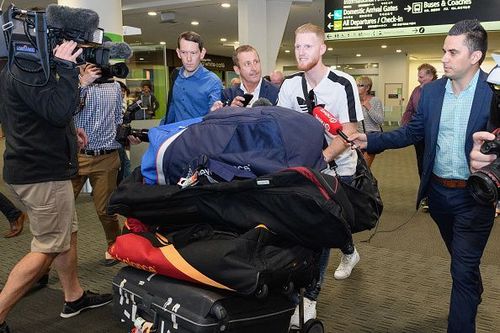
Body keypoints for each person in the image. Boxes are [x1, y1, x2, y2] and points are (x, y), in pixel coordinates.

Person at [349, 20, 493, 333]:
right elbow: (413, 131)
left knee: (462, 268)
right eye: (444, 51)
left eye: (453, 52)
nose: (444, 58)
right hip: (439, 195)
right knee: (461, 259)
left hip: (474, 197)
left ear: (475, 57)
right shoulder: (430, 93)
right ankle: (471, 286)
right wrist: (370, 140)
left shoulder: (493, 94)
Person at [0, 40, 112, 333]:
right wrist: (68, 71)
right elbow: (58, 110)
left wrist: (68, 131)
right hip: (42, 175)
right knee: (49, 246)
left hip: (41, 169)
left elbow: (44, 112)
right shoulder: (29, 70)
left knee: (68, 233)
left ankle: (73, 297)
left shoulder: (24, 68)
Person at [277, 23, 363, 328]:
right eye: (297, 46)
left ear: (322, 48)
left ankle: (310, 298)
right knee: (317, 228)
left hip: (339, 170)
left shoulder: (343, 83)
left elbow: (351, 132)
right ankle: (349, 250)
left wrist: (321, 158)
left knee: (323, 231)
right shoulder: (289, 86)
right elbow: (282, 128)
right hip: (304, 171)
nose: (301, 52)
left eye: (308, 46)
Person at [72, 63, 123, 266]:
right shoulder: (73, 84)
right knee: (61, 210)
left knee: (105, 210)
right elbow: (66, 110)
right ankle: (46, 261)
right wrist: (83, 84)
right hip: (76, 156)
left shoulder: (115, 87)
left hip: (107, 157)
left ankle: (116, 247)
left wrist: (123, 134)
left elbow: (118, 115)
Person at [160, 31, 223, 124]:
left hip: (199, 136)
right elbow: (172, 109)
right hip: (177, 135)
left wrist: (214, 112)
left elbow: (213, 118)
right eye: (184, 52)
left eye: (193, 53)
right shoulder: (175, 75)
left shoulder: (212, 81)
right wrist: (160, 132)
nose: (188, 59)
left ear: (202, 53)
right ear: (178, 53)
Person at [401, 63, 438, 210]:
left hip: (434, 134)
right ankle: (425, 194)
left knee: (433, 164)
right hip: (419, 133)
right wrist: (405, 125)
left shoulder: (439, 89)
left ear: (430, 76)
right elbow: (410, 109)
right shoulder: (417, 90)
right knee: (421, 163)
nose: (419, 79)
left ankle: (434, 195)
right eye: (418, 76)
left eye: (421, 77)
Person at [212, 45, 279, 109]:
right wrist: (230, 111)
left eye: (256, 62)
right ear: (237, 70)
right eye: (247, 64)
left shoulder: (276, 92)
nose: (254, 68)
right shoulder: (228, 95)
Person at [356, 76, 384, 167]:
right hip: (358, 137)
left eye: (360, 85)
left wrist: (369, 107)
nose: (357, 88)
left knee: (364, 167)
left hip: (371, 137)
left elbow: (380, 120)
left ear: (367, 88)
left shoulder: (375, 101)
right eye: (356, 85)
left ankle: (368, 181)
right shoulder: (355, 101)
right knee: (357, 167)